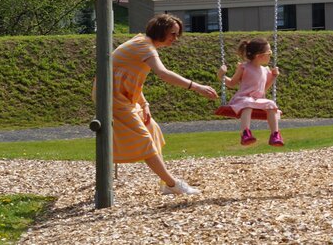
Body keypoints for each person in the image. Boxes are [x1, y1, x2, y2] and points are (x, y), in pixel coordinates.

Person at [107, 14, 217, 195]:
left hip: (123, 97)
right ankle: (173, 184)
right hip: (112, 98)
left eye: (177, 34)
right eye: (173, 34)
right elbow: (163, 73)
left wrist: (144, 103)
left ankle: (166, 183)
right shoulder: (143, 45)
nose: (175, 38)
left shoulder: (142, 43)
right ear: (160, 30)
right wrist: (197, 87)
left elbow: (129, 78)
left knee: (152, 129)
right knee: (144, 139)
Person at [218, 38, 283, 147]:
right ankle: (245, 134)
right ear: (259, 56)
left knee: (271, 104)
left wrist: (273, 77)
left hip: (257, 100)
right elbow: (232, 83)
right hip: (243, 98)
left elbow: (263, 89)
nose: (271, 56)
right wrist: (221, 76)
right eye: (269, 53)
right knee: (247, 103)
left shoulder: (265, 70)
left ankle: (275, 135)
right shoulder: (244, 67)